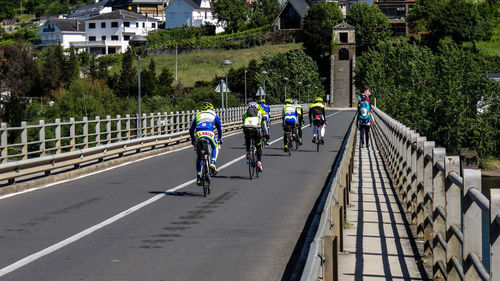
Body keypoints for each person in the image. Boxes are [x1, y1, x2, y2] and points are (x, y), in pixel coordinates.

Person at [189, 102, 223, 186]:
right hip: (209, 133)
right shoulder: (213, 114)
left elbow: (191, 128)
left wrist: (193, 139)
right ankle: (212, 163)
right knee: (215, 146)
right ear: (211, 109)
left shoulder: (198, 114)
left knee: (199, 155)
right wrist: (220, 138)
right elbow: (219, 127)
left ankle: (198, 177)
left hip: (199, 134)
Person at [243, 101, 264, 172]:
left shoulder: (246, 114)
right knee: (258, 146)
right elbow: (263, 124)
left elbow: (243, 122)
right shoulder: (259, 113)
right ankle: (259, 162)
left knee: (247, 139)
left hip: (247, 129)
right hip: (256, 130)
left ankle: (248, 153)